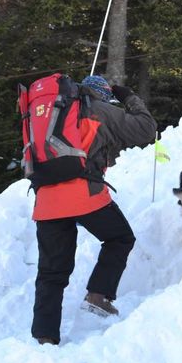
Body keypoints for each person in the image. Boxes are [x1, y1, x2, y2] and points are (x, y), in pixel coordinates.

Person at [30, 75, 157, 346]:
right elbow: (146, 129)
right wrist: (127, 96)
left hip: (47, 199)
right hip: (83, 193)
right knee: (120, 237)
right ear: (102, 94)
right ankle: (98, 296)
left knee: (51, 272)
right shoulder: (100, 110)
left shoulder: (53, 112)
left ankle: (45, 337)